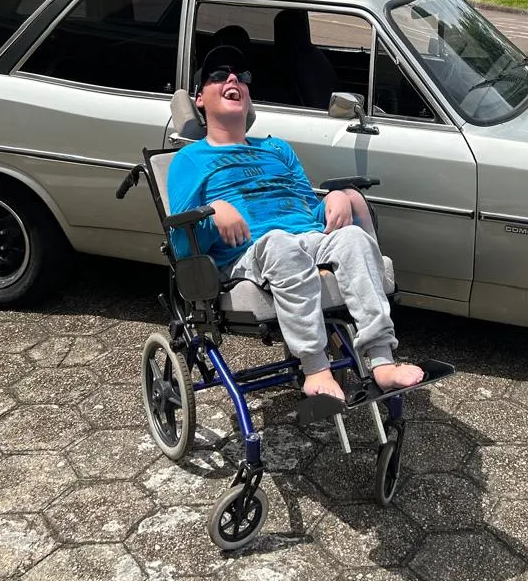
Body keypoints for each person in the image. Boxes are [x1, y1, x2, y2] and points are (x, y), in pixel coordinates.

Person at [167, 44, 424, 401]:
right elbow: (182, 244)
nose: (233, 80)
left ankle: (382, 361)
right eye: (219, 75)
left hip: (308, 238)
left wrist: (335, 198)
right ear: (199, 98)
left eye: (241, 76)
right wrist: (214, 213)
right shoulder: (189, 160)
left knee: (353, 238)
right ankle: (315, 369)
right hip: (250, 254)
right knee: (280, 243)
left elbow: (308, 209)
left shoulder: (278, 150)